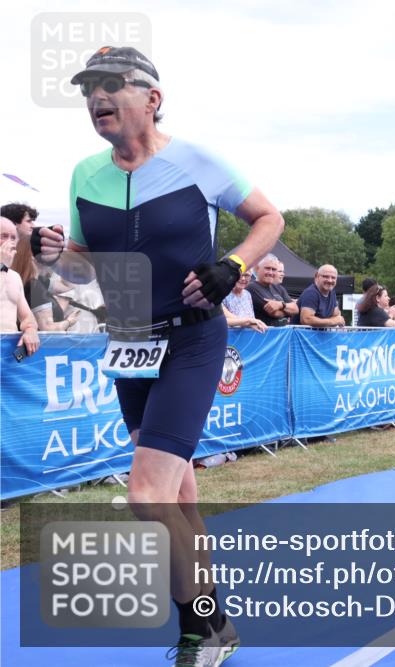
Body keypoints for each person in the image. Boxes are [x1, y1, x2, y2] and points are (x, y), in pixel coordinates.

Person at [34, 46, 284, 666]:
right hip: (130, 343)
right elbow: (87, 264)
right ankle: (211, 623)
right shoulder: (84, 173)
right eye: (88, 88)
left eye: (111, 84)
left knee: (148, 497)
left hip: (193, 339)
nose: (96, 98)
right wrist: (50, 253)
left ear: (153, 98)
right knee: (178, 500)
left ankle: (207, 625)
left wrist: (233, 266)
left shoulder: (196, 159)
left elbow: (268, 218)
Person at [0, 217, 40, 354]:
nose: (9, 242)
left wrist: (31, 330)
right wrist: (2, 266)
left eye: (13, 238)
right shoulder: (4, 270)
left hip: (6, 356)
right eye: (3, 236)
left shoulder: (14, 277)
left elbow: (28, 318)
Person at [246, 254, 298, 326]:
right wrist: (288, 312)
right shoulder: (252, 288)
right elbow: (274, 313)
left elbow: (295, 309)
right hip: (265, 335)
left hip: (283, 335)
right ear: (257, 269)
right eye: (267, 268)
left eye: (274, 269)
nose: (270, 272)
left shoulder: (278, 288)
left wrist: (281, 305)